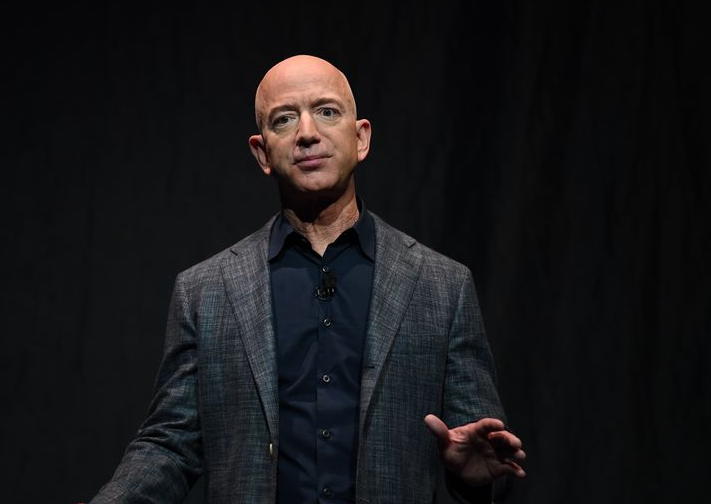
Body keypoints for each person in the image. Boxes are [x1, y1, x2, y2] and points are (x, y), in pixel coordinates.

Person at [90, 55, 525, 504]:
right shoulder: (206, 291)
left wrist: (473, 477)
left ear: (361, 138)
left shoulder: (442, 286)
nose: (307, 133)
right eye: (284, 119)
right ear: (262, 153)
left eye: (327, 111)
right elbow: (170, 443)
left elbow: (481, 448)